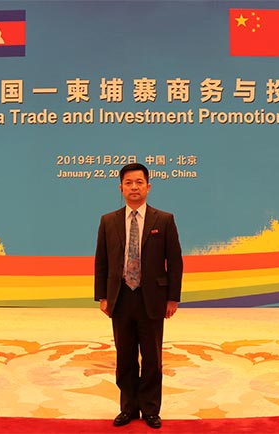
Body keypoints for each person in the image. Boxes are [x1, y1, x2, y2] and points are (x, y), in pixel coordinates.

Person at [94, 163, 183, 429]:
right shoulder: (108, 221)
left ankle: (151, 409)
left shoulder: (164, 220)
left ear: (148, 187)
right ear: (121, 188)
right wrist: (102, 296)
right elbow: (101, 261)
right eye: (129, 183)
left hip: (152, 298)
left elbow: (174, 262)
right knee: (125, 356)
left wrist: (172, 298)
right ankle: (128, 408)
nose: (134, 187)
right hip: (121, 297)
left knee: (152, 358)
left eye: (139, 182)